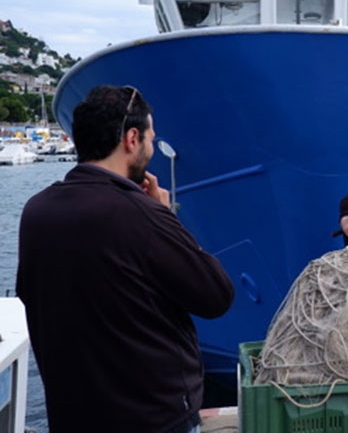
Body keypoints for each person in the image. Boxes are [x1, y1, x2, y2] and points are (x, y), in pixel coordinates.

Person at [16, 85, 235, 433]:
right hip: (152, 418)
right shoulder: (141, 214)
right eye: (150, 138)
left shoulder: (37, 211)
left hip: (73, 417)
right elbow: (215, 295)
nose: (151, 148)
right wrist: (165, 216)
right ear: (131, 139)